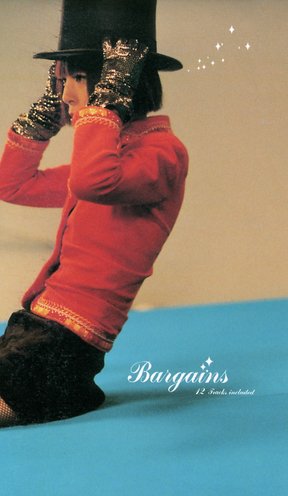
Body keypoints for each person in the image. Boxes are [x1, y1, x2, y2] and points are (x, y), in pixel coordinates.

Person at [0, 0, 188, 426]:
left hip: (67, 341)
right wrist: (42, 118)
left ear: (122, 82)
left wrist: (103, 109)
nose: (65, 94)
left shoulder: (162, 154)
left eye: (79, 78)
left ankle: (65, 393)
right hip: (34, 327)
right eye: (63, 80)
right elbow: (13, 185)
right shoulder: (111, 158)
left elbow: (92, 182)